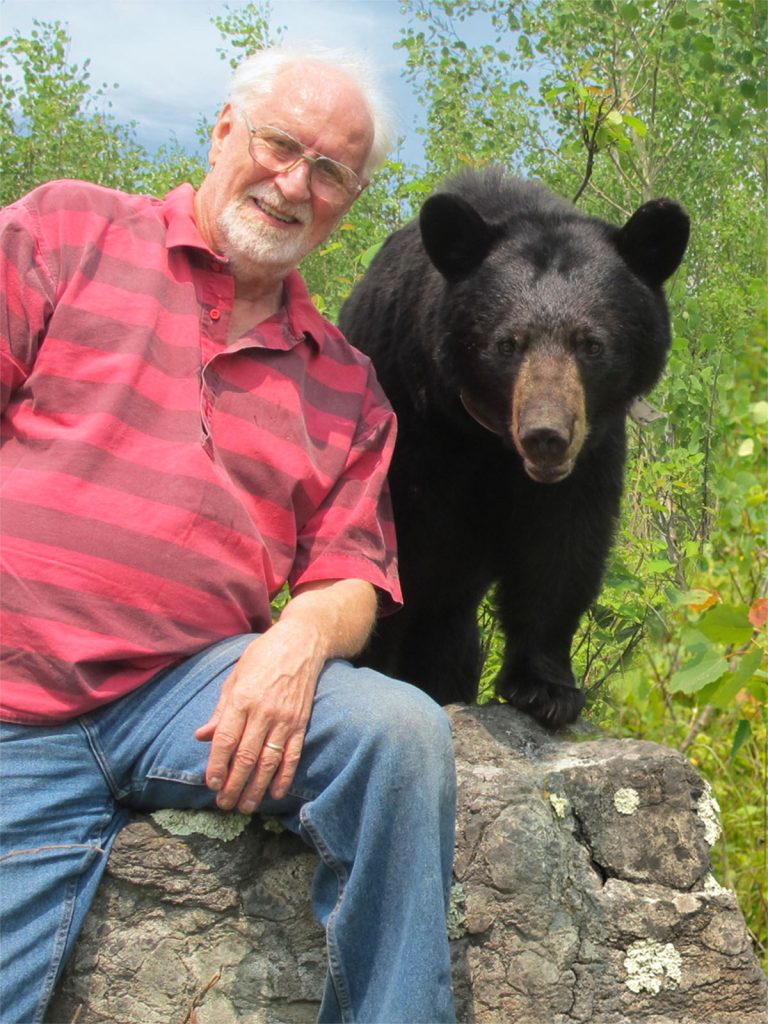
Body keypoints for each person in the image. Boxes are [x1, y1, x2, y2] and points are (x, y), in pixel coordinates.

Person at [0, 44, 457, 1024]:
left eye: (331, 170)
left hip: (191, 703)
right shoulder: (66, 231)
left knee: (400, 734)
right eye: (280, 144)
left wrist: (295, 641)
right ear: (222, 133)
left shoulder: (343, 384)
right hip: (12, 703)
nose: (295, 183)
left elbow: (352, 576)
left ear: (351, 197)